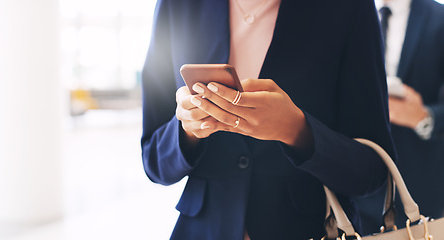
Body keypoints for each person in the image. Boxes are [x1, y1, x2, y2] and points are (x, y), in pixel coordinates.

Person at [141, 0, 396, 239]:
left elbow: (373, 172)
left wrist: (297, 130)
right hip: (202, 229)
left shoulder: (348, 7)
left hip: (309, 228)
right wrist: (187, 130)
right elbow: (154, 160)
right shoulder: (177, 5)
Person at [355, 0, 444, 235]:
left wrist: (424, 116)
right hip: (355, 185)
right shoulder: (344, 16)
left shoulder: (440, 18)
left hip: (420, 189)